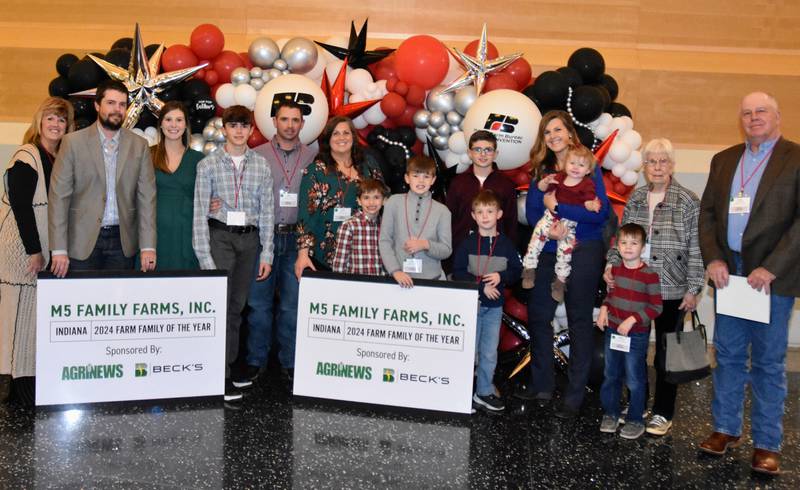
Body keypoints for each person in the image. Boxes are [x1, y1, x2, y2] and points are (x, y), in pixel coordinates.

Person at [698, 92, 800, 475]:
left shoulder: (796, 157)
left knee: (770, 362)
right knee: (727, 355)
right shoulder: (724, 161)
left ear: (777, 116)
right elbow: (707, 215)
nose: (754, 118)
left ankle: (767, 443)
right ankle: (725, 429)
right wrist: (714, 258)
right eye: (747, 113)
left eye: (761, 112)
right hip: (731, 277)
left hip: (770, 280)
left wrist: (771, 267)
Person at [603, 138, 704, 436]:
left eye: (663, 162)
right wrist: (611, 263)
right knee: (634, 350)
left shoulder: (687, 200)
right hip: (633, 286)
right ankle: (638, 404)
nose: (657, 167)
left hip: (671, 288)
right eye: (651, 162)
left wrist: (695, 287)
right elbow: (620, 237)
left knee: (665, 353)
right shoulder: (635, 198)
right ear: (644, 167)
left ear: (672, 166)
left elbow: (698, 247)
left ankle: (662, 411)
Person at [515, 110, 610, 419]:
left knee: (579, 319)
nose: (553, 135)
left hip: (583, 248)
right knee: (539, 314)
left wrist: (559, 208)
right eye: (547, 132)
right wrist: (548, 216)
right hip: (547, 249)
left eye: (558, 129)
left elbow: (599, 214)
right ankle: (542, 384)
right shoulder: (541, 172)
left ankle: (574, 395)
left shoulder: (587, 163)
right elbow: (531, 214)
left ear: (570, 132)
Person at [192, 105, 274, 403]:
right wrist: (205, 257)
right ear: (224, 128)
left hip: (249, 241)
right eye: (233, 125)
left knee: (238, 308)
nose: (239, 131)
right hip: (221, 238)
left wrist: (267, 255)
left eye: (244, 126)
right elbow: (199, 212)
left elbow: (267, 213)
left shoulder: (261, 165)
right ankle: (218, 374)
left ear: (251, 131)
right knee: (221, 308)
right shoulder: (208, 165)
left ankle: (229, 365)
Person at [0, 97, 74, 405]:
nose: (55, 125)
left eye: (61, 120)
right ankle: (14, 385)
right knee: (18, 316)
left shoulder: (58, 157)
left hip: (43, 246)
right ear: (39, 122)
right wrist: (33, 250)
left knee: (34, 318)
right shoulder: (26, 157)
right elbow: (20, 207)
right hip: (23, 248)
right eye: (50, 119)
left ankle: (28, 380)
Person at [237, 99, 316, 389]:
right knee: (258, 305)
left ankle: (290, 363)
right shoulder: (255, 155)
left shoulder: (313, 157)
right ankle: (256, 361)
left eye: (296, 120)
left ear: (303, 124)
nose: (290, 125)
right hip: (263, 239)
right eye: (285, 119)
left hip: (298, 241)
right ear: (274, 122)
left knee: (292, 306)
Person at [49, 79, 157, 276]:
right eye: (111, 103)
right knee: (82, 303)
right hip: (81, 242)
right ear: (97, 105)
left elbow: (147, 198)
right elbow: (59, 198)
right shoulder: (72, 143)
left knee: (117, 305)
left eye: (122, 104)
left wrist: (148, 246)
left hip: (122, 243)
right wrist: (58, 249)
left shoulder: (139, 145)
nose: (117, 109)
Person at [453, 190, 521, 413]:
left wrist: (502, 277)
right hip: (470, 306)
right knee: (468, 351)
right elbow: (458, 272)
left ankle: (483, 391)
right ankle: (460, 392)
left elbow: (516, 271)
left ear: (499, 214)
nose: (485, 216)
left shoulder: (506, 245)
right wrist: (480, 284)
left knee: (489, 352)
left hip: (493, 308)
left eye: (490, 211)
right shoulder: (468, 243)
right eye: (480, 212)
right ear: (473, 215)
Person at [597, 224, 663, 439]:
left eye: (634, 243)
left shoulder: (649, 275)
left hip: (635, 335)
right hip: (613, 332)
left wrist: (633, 320)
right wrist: (604, 309)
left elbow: (656, 307)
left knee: (635, 378)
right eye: (624, 243)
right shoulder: (614, 271)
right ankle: (611, 413)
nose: (628, 247)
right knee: (611, 375)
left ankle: (636, 419)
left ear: (643, 248)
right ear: (618, 245)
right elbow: (611, 295)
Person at [294, 116, 383, 278]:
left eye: (346, 133)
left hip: (364, 254)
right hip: (324, 256)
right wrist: (302, 255)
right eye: (335, 134)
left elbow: (384, 202)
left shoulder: (368, 166)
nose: (341, 138)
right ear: (328, 139)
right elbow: (306, 215)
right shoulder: (316, 171)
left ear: (353, 137)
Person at [521, 144, 600, 301]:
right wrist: (544, 182)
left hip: (569, 223)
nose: (576, 168)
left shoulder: (587, 184)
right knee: (536, 237)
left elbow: (588, 201)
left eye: (581, 165)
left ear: (588, 170)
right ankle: (529, 268)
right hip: (550, 216)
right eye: (572, 163)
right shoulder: (560, 177)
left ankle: (560, 281)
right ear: (565, 164)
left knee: (565, 251)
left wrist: (592, 205)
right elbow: (543, 188)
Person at [146, 101, 204, 270]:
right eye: (168, 119)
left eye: (179, 120)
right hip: (154, 237)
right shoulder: (148, 155)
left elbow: (206, 197)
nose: (173, 125)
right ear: (161, 125)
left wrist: (213, 203)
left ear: (186, 125)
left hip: (186, 236)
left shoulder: (199, 160)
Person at [380, 155, 452, 287]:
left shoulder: (443, 211)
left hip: (432, 281)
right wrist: (395, 271)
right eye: (415, 176)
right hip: (398, 280)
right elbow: (385, 241)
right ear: (407, 178)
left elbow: (446, 250)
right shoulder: (394, 202)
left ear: (433, 180)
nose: (421, 181)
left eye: (426, 176)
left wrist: (426, 245)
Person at [446, 130, 517, 253]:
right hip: (462, 251)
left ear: (495, 154)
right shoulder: (458, 183)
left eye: (488, 150)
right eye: (477, 149)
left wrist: (509, 253)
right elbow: (449, 220)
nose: (483, 154)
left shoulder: (506, 185)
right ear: (469, 153)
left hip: (495, 252)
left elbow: (511, 224)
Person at [331, 178, 389, 275]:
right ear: (358, 201)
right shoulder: (349, 226)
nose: (371, 202)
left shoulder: (387, 226)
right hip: (355, 284)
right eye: (366, 198)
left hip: (381, 284)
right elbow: (339, 265)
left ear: (384, 200)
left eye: (376, 197)